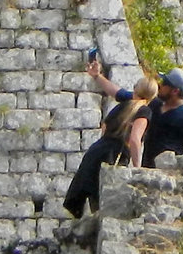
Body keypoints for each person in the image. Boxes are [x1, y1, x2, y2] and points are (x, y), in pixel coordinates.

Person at [63, 64, 150, 216]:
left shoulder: (124, 105)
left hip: (96, 151)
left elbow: (104, 126)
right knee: (107, 206)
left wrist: (97, 76)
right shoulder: (144, 110)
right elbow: (135, 139)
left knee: (93, 200)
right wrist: (138, 168)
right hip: (114, 155)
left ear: (135, 89)